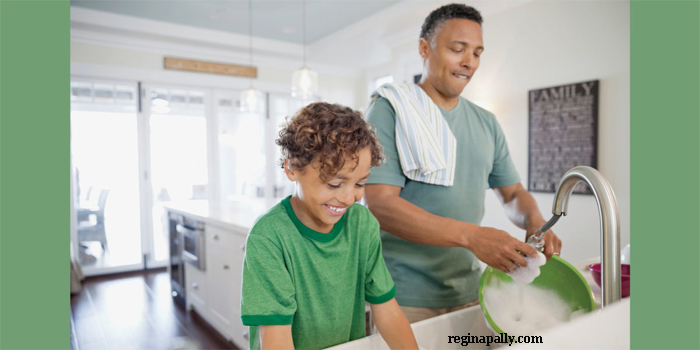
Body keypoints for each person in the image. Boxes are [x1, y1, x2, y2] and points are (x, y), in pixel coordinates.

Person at [364, 4, 562, 323]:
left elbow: (511, 194)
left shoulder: (486, 123)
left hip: (472, 291)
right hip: (403, 295)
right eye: (458, 49)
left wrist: (534, 221)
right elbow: (380, 205)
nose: (469, 62)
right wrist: (472, 236)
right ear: (424, 48)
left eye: (477, 53)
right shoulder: (389, 110)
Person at [240, 102, 419, 350]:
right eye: (335, 184)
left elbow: (387, 311)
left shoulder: (362, 224)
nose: (349, 198)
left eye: (360, 184)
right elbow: (276, 340)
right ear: (291, 167)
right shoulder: (269, 237)